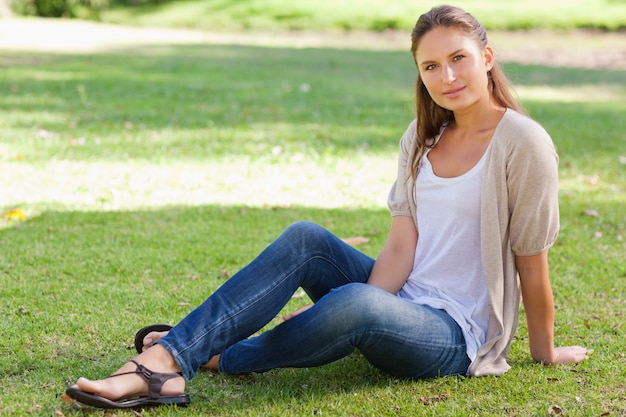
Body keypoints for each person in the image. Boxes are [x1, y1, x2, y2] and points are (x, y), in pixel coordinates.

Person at [64, 4, 589, 410]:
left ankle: (216, 356)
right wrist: (369, 312)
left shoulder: (523, 142)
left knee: (356, 305)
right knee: (307, 239)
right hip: (406, 296)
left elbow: (531, 259)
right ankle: (167, 361)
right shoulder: (422, 136)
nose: (447, 77)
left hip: (456, 337)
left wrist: (544, 351)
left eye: (459, 59)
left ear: (487, 58)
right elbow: (402, 246)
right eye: (431, 65)